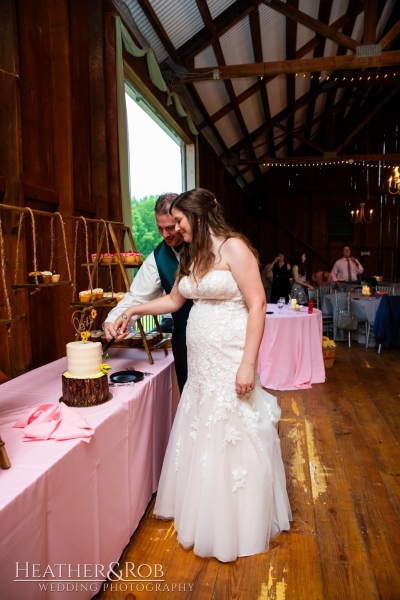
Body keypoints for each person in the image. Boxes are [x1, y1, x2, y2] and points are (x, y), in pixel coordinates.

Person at [113, 188, 291, 562]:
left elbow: (257, 304)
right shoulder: (191, 255)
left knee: (234, 429)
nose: (174, 229)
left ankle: (239, 519)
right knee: (202, 427)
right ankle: (206, 510)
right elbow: (175, 300)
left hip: (230, 356)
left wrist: (247, 363)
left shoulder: (235, 248)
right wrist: (133, 311)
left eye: (178, 221)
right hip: (201, 363)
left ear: (197, 217)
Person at [103, 193, 192, 393]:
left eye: (170, 227)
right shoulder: (157, 258)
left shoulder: (205, 247)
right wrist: (112, 320)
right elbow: (136, 296)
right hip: (183, 342)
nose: (165, 234)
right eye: (160, 228)